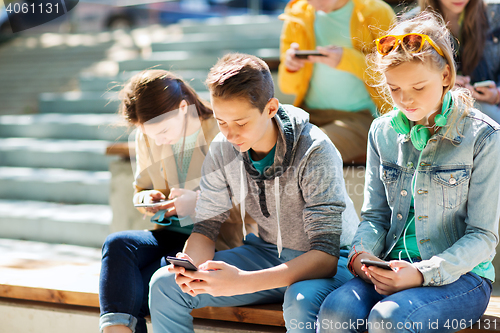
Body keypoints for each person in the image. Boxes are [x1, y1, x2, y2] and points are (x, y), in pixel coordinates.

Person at [148, 53, 360, 333]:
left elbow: (326, 256)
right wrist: (190, 268)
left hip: (332, 261)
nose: (231, 134)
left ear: (271, 108)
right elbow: (206, 227)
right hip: (266, 252)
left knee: (300, 300)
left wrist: (242, 281)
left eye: (241, 122)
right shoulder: (223, 147)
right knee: (164, 284)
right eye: (222, 121)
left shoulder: (315, 149)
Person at [316, 12, 500, 333]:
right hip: (389, 267)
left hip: (462, 277)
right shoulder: (381, 132)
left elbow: (483, 238)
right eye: (394, 88)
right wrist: (362, 255)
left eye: (418, 86)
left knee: (389, 319)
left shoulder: (484, 137)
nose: (405, 99)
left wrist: (419, 274)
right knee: (336, 310)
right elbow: (375, 216)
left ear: (445, 76)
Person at [99, 70, 256, 333]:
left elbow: (250, 203)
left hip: (218, 241)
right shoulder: (148, 133)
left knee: (133, 284)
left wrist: (199, 203)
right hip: (171, 233)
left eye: (163, 131)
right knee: (117, 244)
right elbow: (142, 187)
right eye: (150, 133)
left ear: (183, 108)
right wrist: (147, 199)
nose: (157, 139)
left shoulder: (223, 132)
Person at [277, 0, 395, 163]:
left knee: (310, 149)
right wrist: (291, 68)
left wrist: (347, 59)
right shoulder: (297, 15)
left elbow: (396, 71)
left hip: (360, 117)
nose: (316, 3)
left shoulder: (376, 11)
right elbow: (287, 87)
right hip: (309, 115)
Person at [412, 0, 500, 124]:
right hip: (441, 120)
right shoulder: (411, 25)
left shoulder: (496, 13)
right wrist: (440, 83)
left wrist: (497, 95)